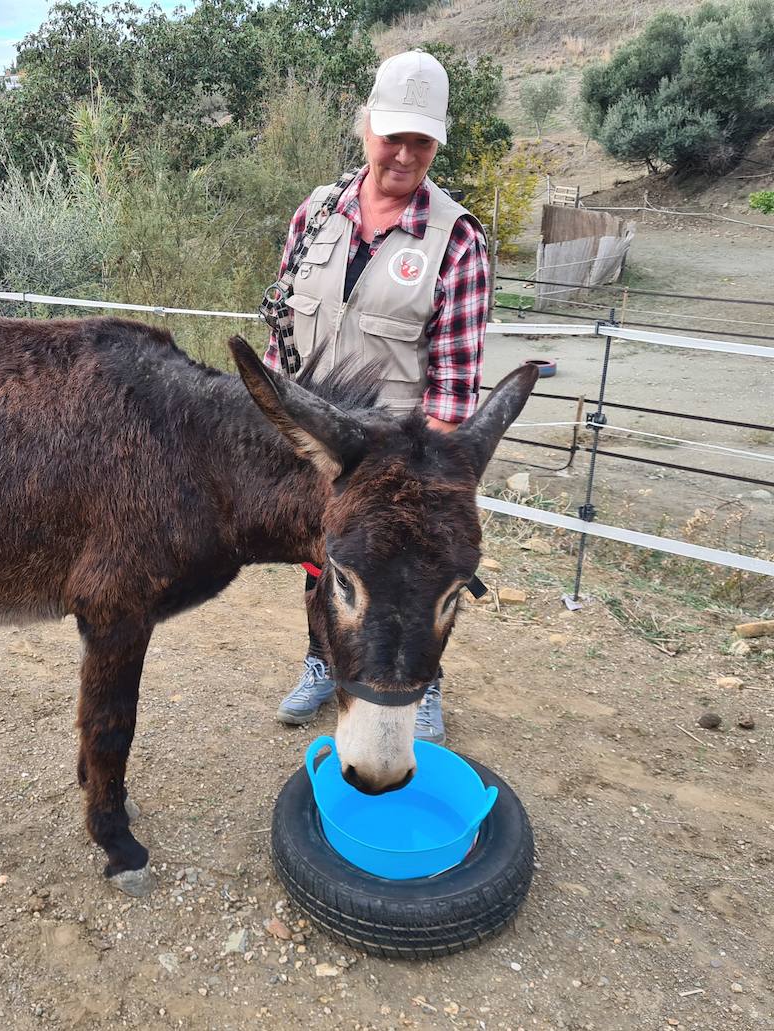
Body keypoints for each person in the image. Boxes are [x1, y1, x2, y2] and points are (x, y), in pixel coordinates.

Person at [266, 50, 490, 746]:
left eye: (422, 141)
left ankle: (422, 685)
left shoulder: (457, 240)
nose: (404, 154)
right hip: (316, 449)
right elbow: (281, 337)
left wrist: (417, 495)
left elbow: (454, 388)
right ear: (366, 125)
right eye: (393, 135)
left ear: (437, 143)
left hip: (398, 469)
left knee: (409, 585)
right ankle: (322, 662)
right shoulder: (316, 213)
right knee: (321, 571)